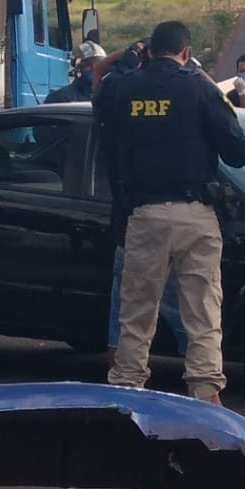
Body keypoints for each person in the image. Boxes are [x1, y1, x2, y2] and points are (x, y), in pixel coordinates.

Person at [96, 21, 245, 404]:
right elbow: (239, 151)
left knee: (136, 313)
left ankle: (128, 392)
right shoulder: (199, 87)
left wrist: (127, 61)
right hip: (195, 214)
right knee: (202, 313)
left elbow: (100, 87)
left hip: (144, 215)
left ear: (148, 52)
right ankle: (205, 394)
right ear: (186, 52)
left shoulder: (123, 88)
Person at [94, 40, 189, 370]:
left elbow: (100, 75)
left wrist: (128, 54)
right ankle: (202, 382)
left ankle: (122, 377)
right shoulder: (187, 98)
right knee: (189, 312)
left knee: (128, 311)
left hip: (132, 223)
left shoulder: (117, 100)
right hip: (179, 221)